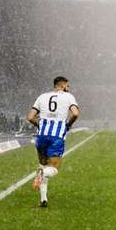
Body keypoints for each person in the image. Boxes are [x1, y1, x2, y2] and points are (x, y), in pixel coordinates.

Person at [26, 76, 80, 208]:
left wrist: (39, 125)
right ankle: (42, 174)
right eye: (68, 86)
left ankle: (43, 199)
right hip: (56, 136)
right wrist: (68, 125)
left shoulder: (42, 97)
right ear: (62, 85)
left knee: (43, 165)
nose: (69, 88)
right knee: (53, 169)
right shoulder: (68, 97)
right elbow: (75, 113)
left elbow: (30, 117)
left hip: (41, 136)